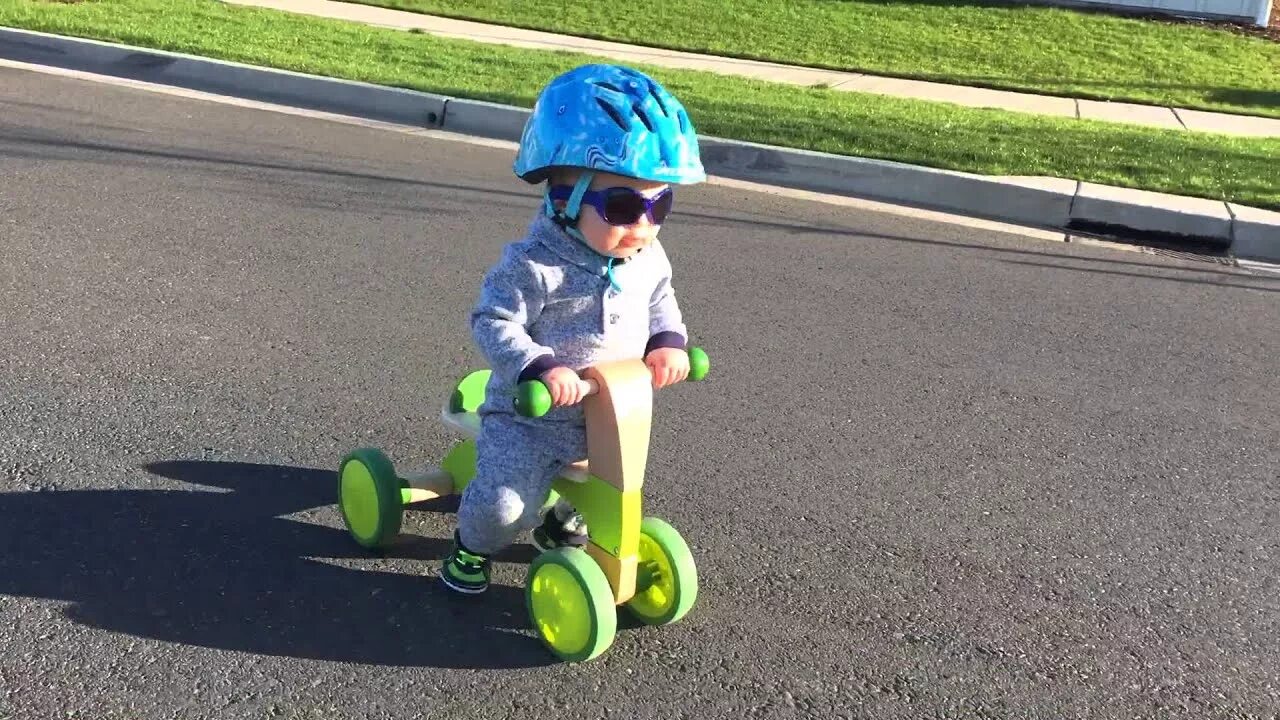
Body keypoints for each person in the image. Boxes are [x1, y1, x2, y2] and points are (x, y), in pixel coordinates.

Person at [440, 63, 706, 594]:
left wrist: (668, 341)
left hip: (608, 419)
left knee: (607, 491)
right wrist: (541, 365)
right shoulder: (534, 265)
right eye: (625, 206)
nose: (645, 225)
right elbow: (493, 320)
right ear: (564, 201)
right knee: (504, 506)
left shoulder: (647, 255)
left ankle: (561, 525)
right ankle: (470, 549)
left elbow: (661, 300)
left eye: (661, 204)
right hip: (531, 419)